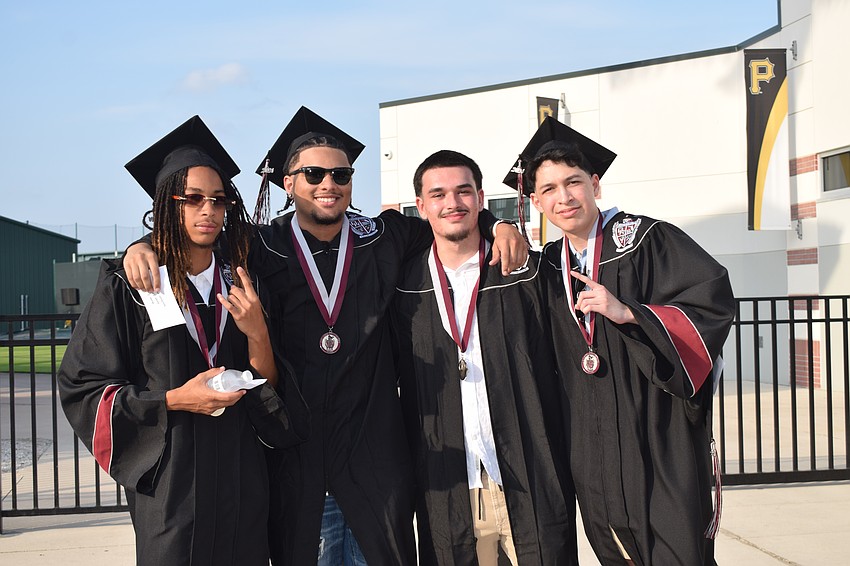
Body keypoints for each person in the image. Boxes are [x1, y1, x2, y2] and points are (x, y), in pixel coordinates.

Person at [122, 107, 528, 565]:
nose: (328, 184)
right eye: (313, 173)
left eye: (340, 173)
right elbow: (192, 235)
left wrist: (500, 223)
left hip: (374, 464)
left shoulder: (383, 237)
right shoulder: (257, 246)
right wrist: (144, 245)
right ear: (288, 182)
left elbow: (449, 221)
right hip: (298, 465)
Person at [58, 115, 308, 566]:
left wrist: (258, 334)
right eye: (192, 199)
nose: (207, 210)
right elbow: (85, 386)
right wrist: (174, 400)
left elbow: (268, 384)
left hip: (241, 479)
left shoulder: (244, 283)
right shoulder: (133, 283)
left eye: (218, 200)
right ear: (167, 204)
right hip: (173, 485)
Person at [503, 117, 735, 565]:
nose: (564, 197)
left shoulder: (647, 239)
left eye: (573, 183)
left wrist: (632, 314)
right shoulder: (548, 265)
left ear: (595, 184)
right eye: (548, 189)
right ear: (535, 201)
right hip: (590, 447)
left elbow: (712, 303)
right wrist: (499, 226)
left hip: (656, 434)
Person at [392, 150, 578, 565]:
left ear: (480, 198)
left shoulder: (522, 272)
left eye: (463, 192)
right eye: (437, 194)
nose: (452, 203)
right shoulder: (403, 286)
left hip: (528, 475)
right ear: (421, 207)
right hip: (449, 483)